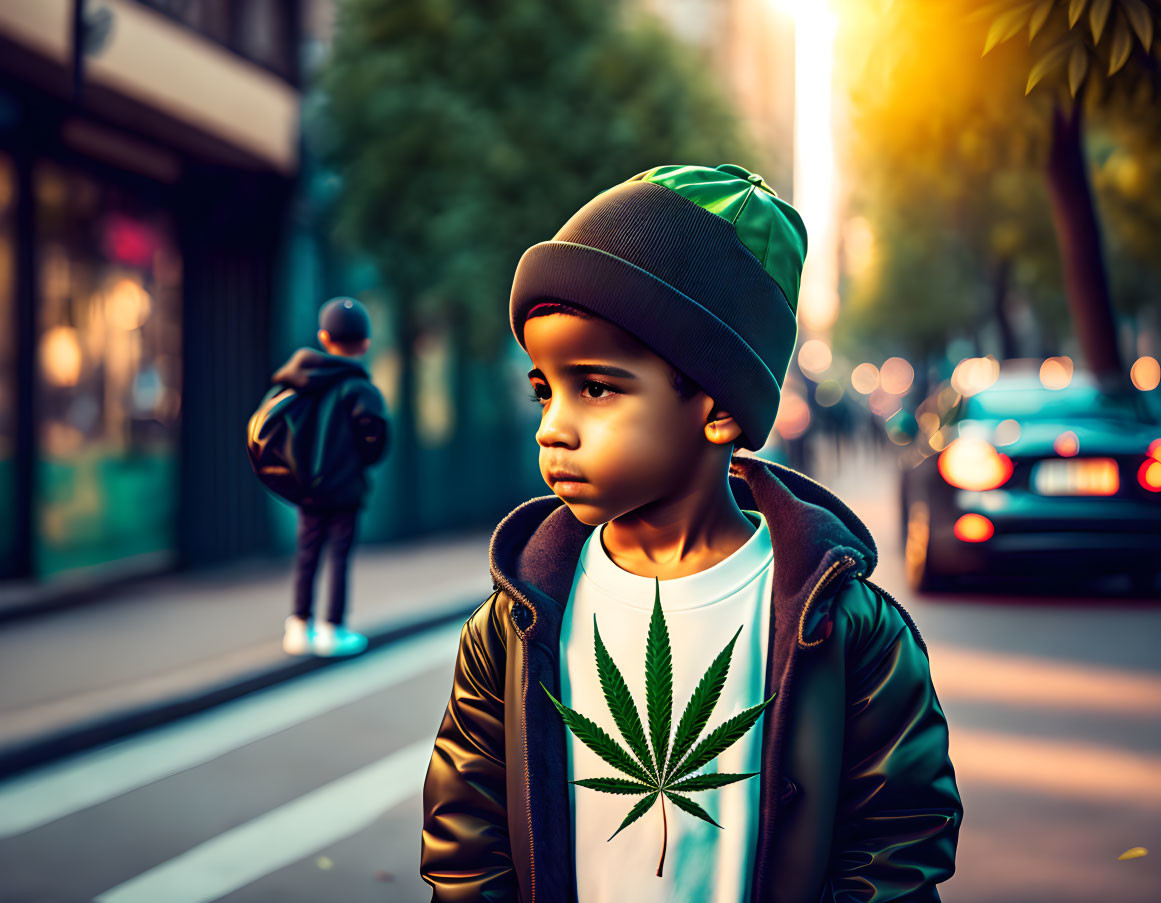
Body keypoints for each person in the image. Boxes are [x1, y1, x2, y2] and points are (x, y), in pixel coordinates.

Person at [420, 164, 961, 901]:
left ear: (718, 409)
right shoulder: (512, 625)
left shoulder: (847, 631)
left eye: (596, 387)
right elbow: (465, 850)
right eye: (544, 389)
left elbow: (897, 850)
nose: (552, 427)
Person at [273, 297, 388, 658]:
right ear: (366, 344)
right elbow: (377, 441)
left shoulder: (298, 383)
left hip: (307, 489)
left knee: (306, 553)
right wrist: (357, 461)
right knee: (339, 554)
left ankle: (298, 626)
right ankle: (332, 629)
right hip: (344, 489)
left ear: (324, 337)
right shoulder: (361, 390)